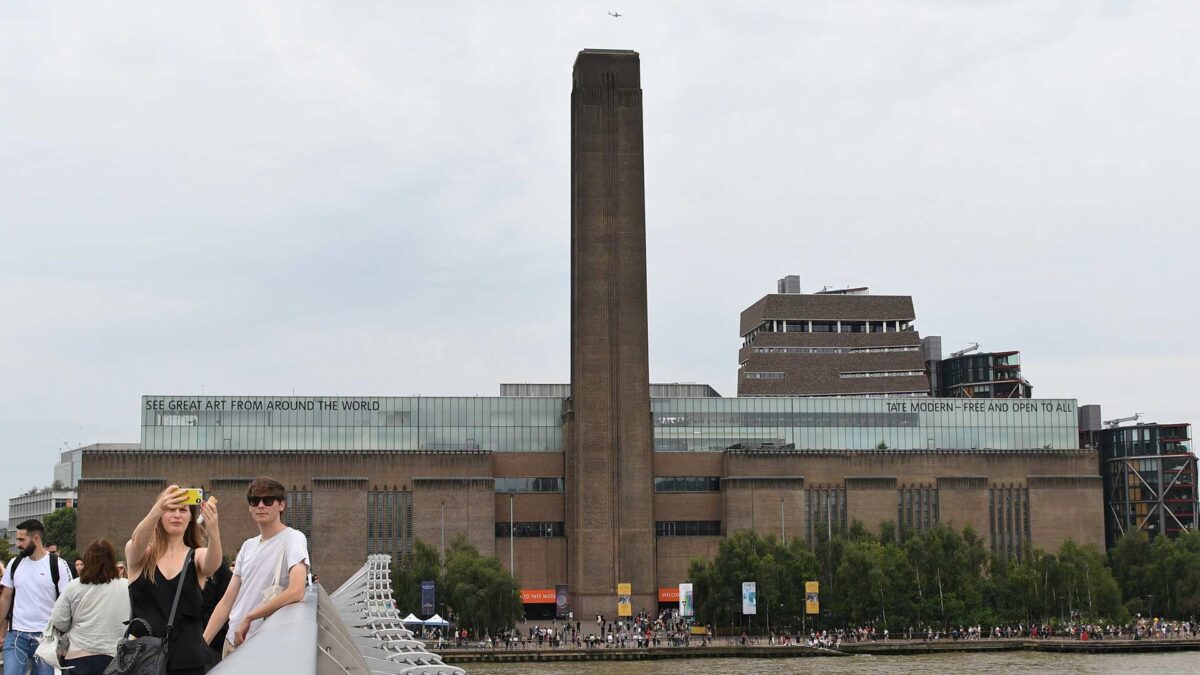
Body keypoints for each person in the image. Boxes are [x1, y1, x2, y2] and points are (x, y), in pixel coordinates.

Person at [204, 477, 309, 658]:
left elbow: (297, 590)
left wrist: (250, 616)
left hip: (265, 644)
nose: (261, 505)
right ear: (250, 507)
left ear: (281, 505)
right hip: (233, 642)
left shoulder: (293, 538)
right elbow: (227, 602)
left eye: (268, 500)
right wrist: (202, 643)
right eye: (255, 501)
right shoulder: (248, 546)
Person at [126, 486, 222, 675]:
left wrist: (213, 532)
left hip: (189, 662)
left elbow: (212, 564)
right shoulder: (142, 556)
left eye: (183, 510)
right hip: (145, 662)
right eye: (171, 509)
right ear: (161, 514)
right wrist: (157, 509)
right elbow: (136, 541)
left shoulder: (196, 556)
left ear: (190, 518)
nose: (177, 515)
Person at [0, 519, 73, 675]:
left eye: (21, 539)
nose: (17, 544)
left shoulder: (58, 564)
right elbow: (5, 598)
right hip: (16, 635)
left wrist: (66, 639)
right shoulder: (14, 563)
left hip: (46, 638)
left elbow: (68, 602)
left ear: (36, 539)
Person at [47, 539, 131, 675]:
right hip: (115, 655)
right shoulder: (127, 587)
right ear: (112, 560)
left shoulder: (73, 587)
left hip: (79, 655)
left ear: (87, 560)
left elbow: (59, 621)